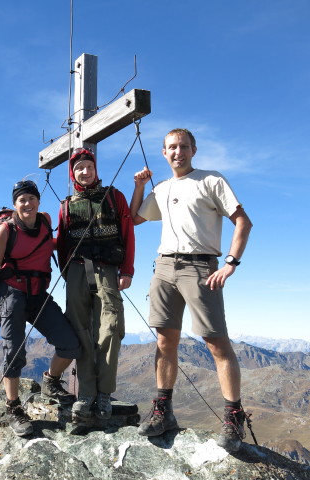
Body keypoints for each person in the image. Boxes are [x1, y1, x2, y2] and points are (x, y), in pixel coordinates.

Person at [130, 128, 253, 452]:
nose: (177, 152)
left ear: (193, 150)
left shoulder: (212, 180)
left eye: (183, 146)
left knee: (215, 341)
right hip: (165, 266)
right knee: (164, 340)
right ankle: (163, 411)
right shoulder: (162, 187)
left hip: (202, 267)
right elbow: (134, 218)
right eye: (171, 147)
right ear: (164, 152)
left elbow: (243, 221)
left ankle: (233, 416)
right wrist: (139, 186)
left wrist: (230, 263)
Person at [0, 179, 82, 437]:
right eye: (21, 200)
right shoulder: (6, 230)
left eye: (31, 198)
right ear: (16, 204)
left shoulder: (46, 221)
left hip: (39, 294)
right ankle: (13, 407)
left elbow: (47, 243)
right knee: (14, 353)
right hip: (12, 295)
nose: (27, 203)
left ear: (39, 201)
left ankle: (51, 380)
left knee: (70, 344)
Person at [56, 147, 135, 423]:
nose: (85, 172)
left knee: (111, 328)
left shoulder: (114, 197)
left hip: (108, 271)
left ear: (95, 169)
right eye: (79, 168)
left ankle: (105, 392)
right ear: (72, 172)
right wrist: (67, 273)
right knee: (81, 331)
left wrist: (127, 271)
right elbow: (63, 242)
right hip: (77, 271)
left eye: (89, 166)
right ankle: (86, 393)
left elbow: (128, 234)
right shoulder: (66, 205)